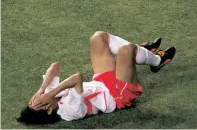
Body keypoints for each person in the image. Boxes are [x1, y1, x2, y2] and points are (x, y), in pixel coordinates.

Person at [17, 33, 176, 124]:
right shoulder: (70, 111)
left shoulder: (48, 96)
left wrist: (42, 88)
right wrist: (50, 94)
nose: (39, 99)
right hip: (117, 96)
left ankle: (141, 52)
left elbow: (55, 65)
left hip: (101, 81)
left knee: (98, 38)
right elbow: (77, 78)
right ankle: (157, 60)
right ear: (49, 109)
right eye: (39, 103)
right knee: (126, 51)